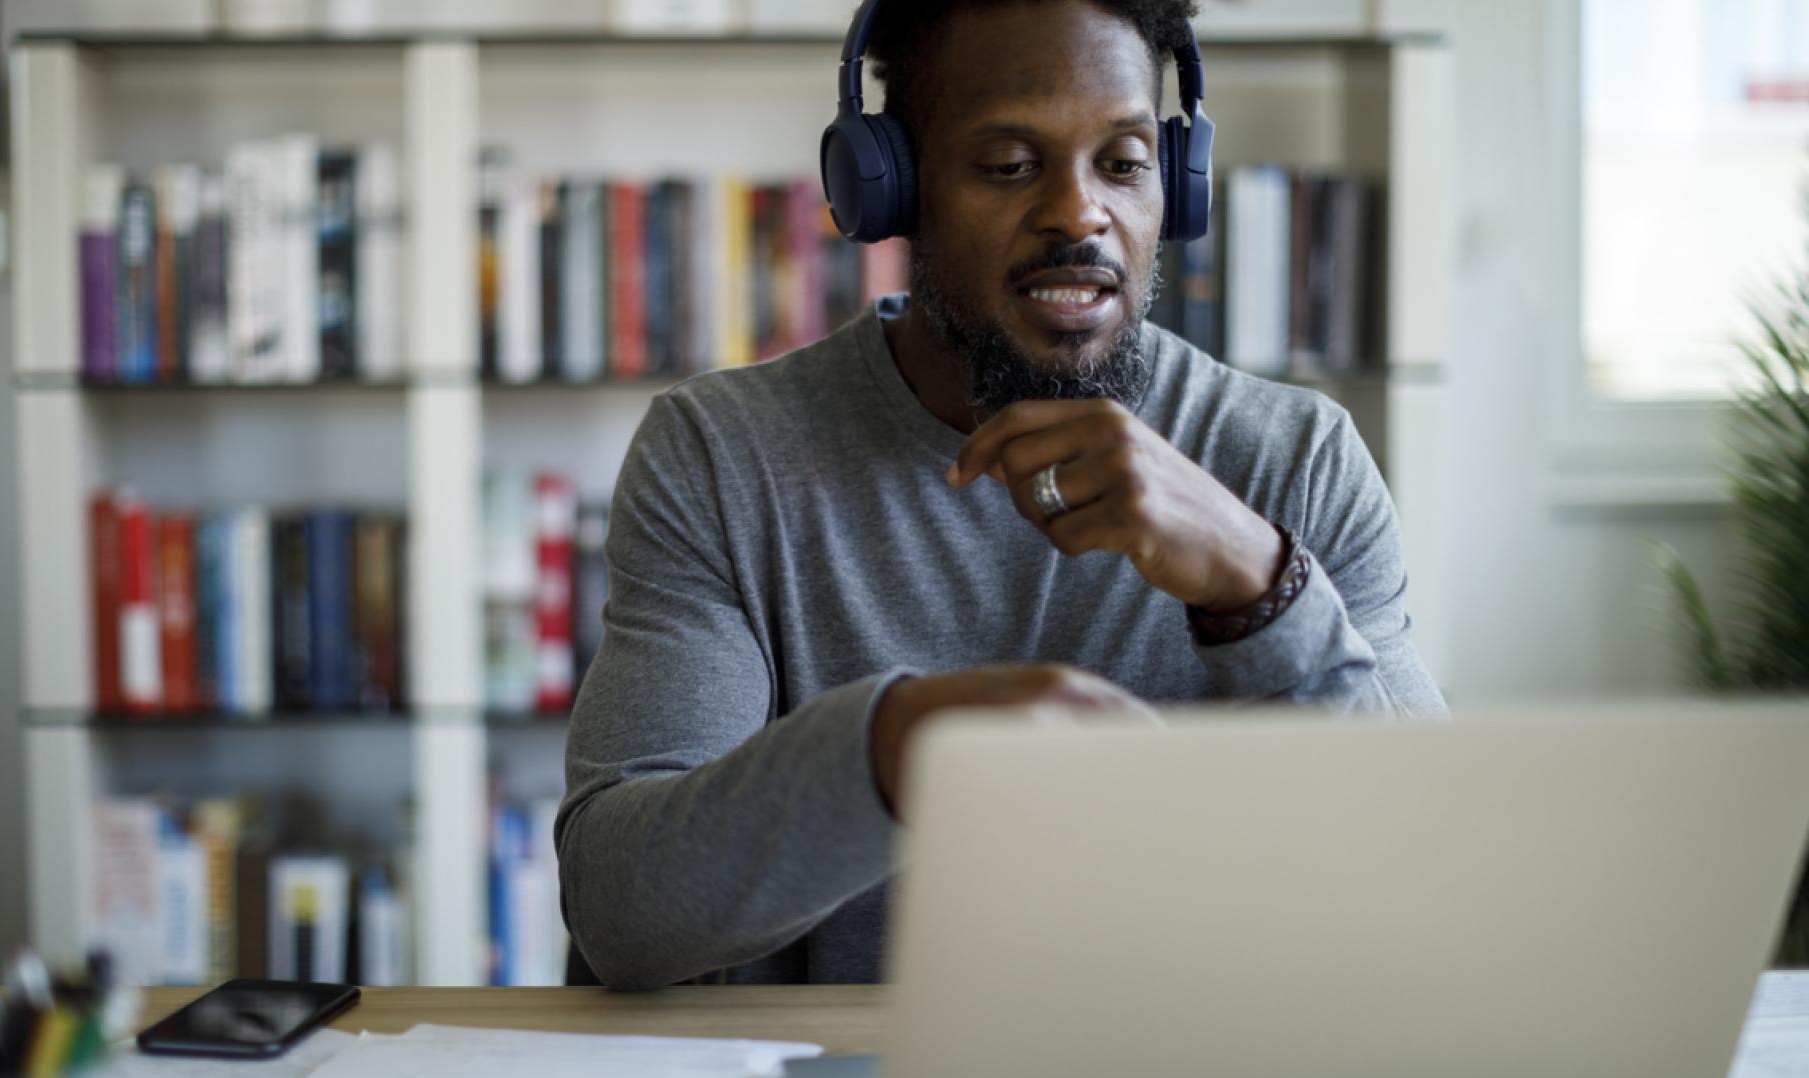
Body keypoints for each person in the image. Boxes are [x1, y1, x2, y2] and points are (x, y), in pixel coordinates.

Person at [556, 0, 1447, 991]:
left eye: (1122, 161)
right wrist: (900, 747)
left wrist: (1258, 587)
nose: (1077, 214)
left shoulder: (1295, 459)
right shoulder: (721, 457)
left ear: (1177, 187)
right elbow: (620, 911)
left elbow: (1430, 881)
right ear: (891, 189)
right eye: (1009, 165)